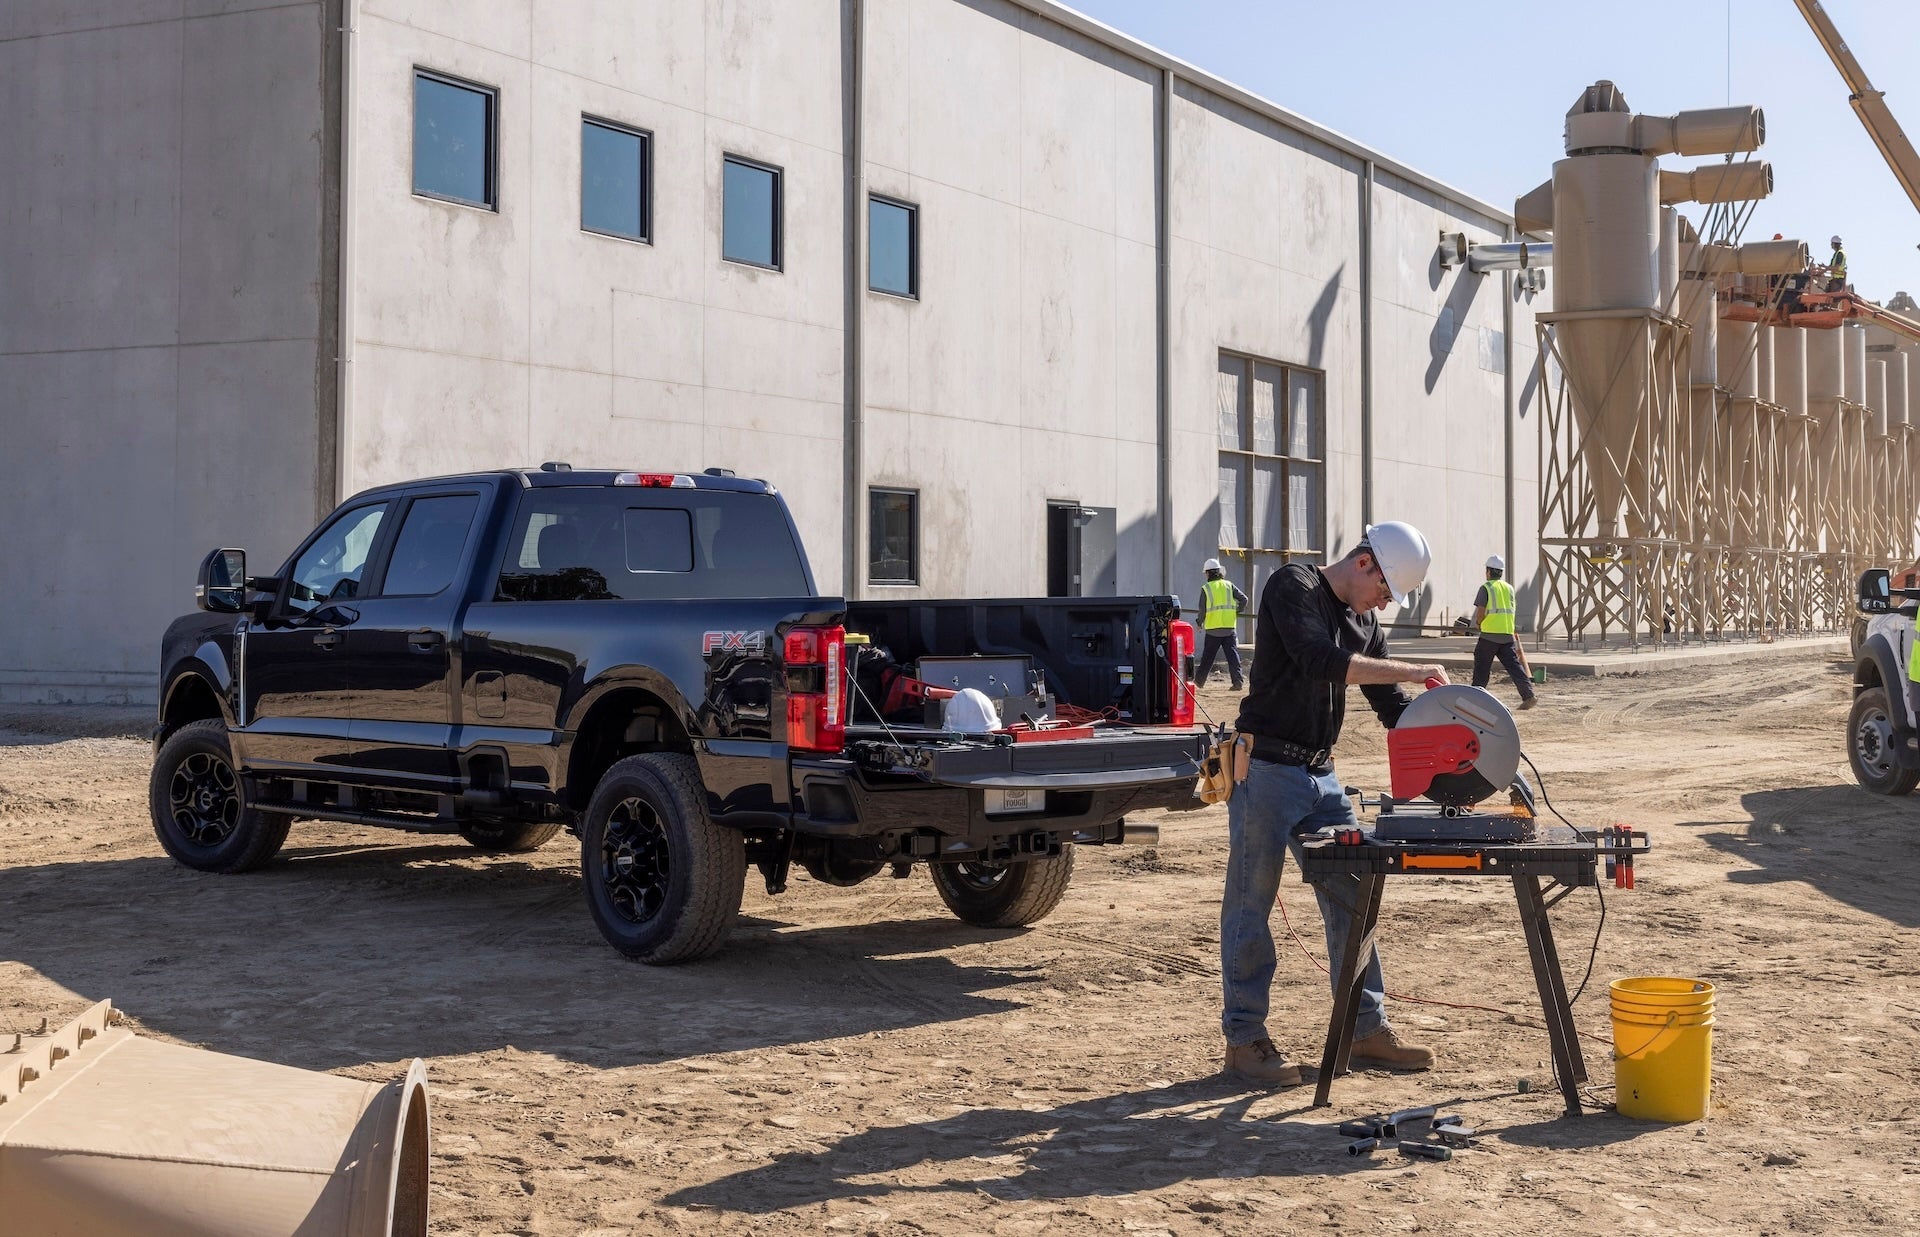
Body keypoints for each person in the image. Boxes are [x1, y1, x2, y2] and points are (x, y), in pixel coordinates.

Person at [1221, 521, 1449, 1084]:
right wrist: (1418, 668)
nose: (1383, 605)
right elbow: (1320, 660)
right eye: (1385, 591)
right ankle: (1245, 1040)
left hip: (1321, 777)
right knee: (1252, 903)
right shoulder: (1291, 586)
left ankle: (1364, 1030)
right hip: (1267, 770)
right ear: (1365, 562)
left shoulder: (1365, 622)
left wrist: (1452, 750)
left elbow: (1391, 705)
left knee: (1354, 898)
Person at [1470, 554, 1537, 709]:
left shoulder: (1486, 588)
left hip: (1489, 636)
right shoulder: (1509, 588)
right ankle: (1528, 695)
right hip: (1507, 635)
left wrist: (1479, 623)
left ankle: (1474, 699)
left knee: (1482, 667)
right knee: (1515, 667)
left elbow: (1481, 611)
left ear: (1488, 571)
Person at [1195, 558, 1250, 690]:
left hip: (1213, 629)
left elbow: (1202, 609)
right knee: (1233, 657)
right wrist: (1236, 610)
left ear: (1208, 573)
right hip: (1229, 628)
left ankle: (1199, 682)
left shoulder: (1206, 588)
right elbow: (1244, 599)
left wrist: (1199, 622)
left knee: (1207, 658)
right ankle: (1238, 683)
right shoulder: (1228, 585)